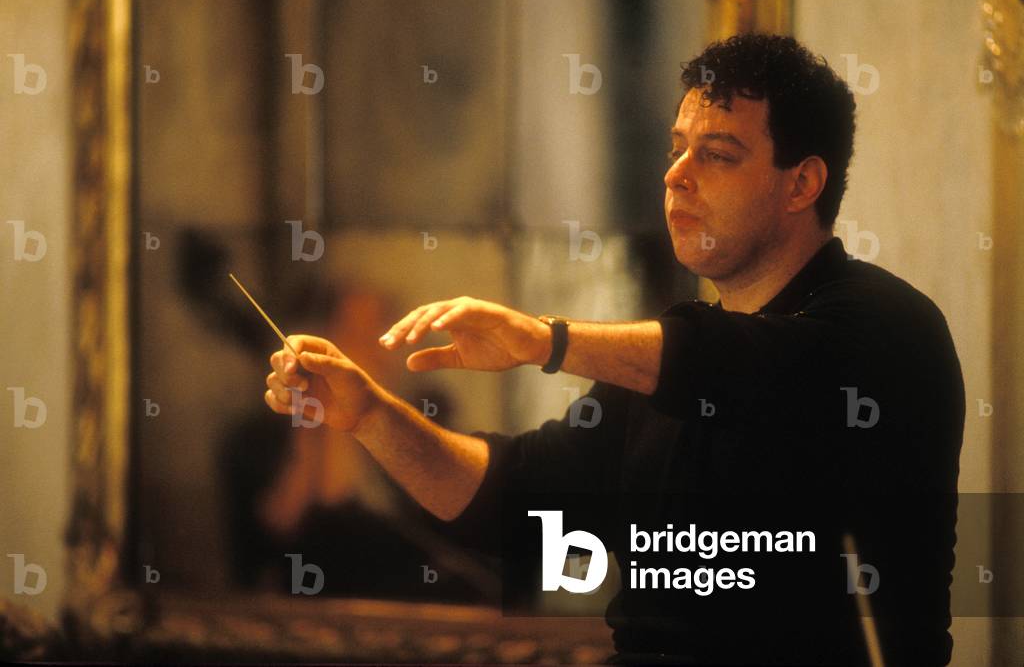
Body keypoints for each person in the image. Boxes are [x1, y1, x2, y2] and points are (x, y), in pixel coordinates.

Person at [263, 34, 964, 665]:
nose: (675, 175)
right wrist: (369, 414)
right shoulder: (664, 364)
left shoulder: (884, 327)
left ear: (802, 183)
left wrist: (545, 339)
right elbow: (508, 495)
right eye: (676, 148)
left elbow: (748, 365)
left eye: (716, 155)